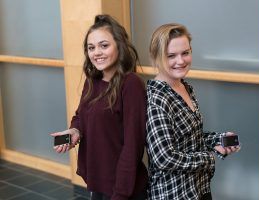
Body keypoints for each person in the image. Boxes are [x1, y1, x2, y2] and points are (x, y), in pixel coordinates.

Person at [51, 14, 148, 200]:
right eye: (91, 47)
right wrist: (74, 131)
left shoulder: (131, 84)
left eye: (104, 45)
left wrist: (120, 194)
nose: (96, 52)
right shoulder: (92, 81)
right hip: (99, 183)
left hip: (124, 189)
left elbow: (133, 146)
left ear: (119, 45)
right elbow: (80, 116)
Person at [146, 23, 241, 200]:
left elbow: (190, 139)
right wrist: (211, 157)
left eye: (185, 53)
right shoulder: (157, 98)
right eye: (171, 56)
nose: (180, 61)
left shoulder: (185, 87)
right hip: (174, 193)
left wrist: (220, 139)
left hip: (198, 187)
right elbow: (164, 158)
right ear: (156, 57)